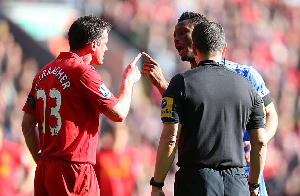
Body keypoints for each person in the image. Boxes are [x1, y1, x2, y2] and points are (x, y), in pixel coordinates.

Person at [142, 11, 278, 196]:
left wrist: (254, 144)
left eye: (183, 32)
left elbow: (271, 115)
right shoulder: (185, 82)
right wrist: (164, 87)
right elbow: (196, 115)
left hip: (246, 173)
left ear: (200, 34)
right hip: (224, 180)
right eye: (174, 34)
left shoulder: (246, 75)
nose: (176, 38)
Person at [21, 15, 141, 196]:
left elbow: (27, 124)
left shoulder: (43, 74)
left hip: (46, 168)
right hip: (74, 170)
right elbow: (119, 114)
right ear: (93, 45)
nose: (107, 48)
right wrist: (129, 81)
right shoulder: (84, 73)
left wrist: (41, 160)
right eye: (105, 43)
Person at [94, 121, 140, 196]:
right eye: (116, 135)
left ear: (127, 136)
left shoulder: (132, 154)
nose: (118, 139)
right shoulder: (100, 156)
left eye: (121, 136)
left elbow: (137, 179)